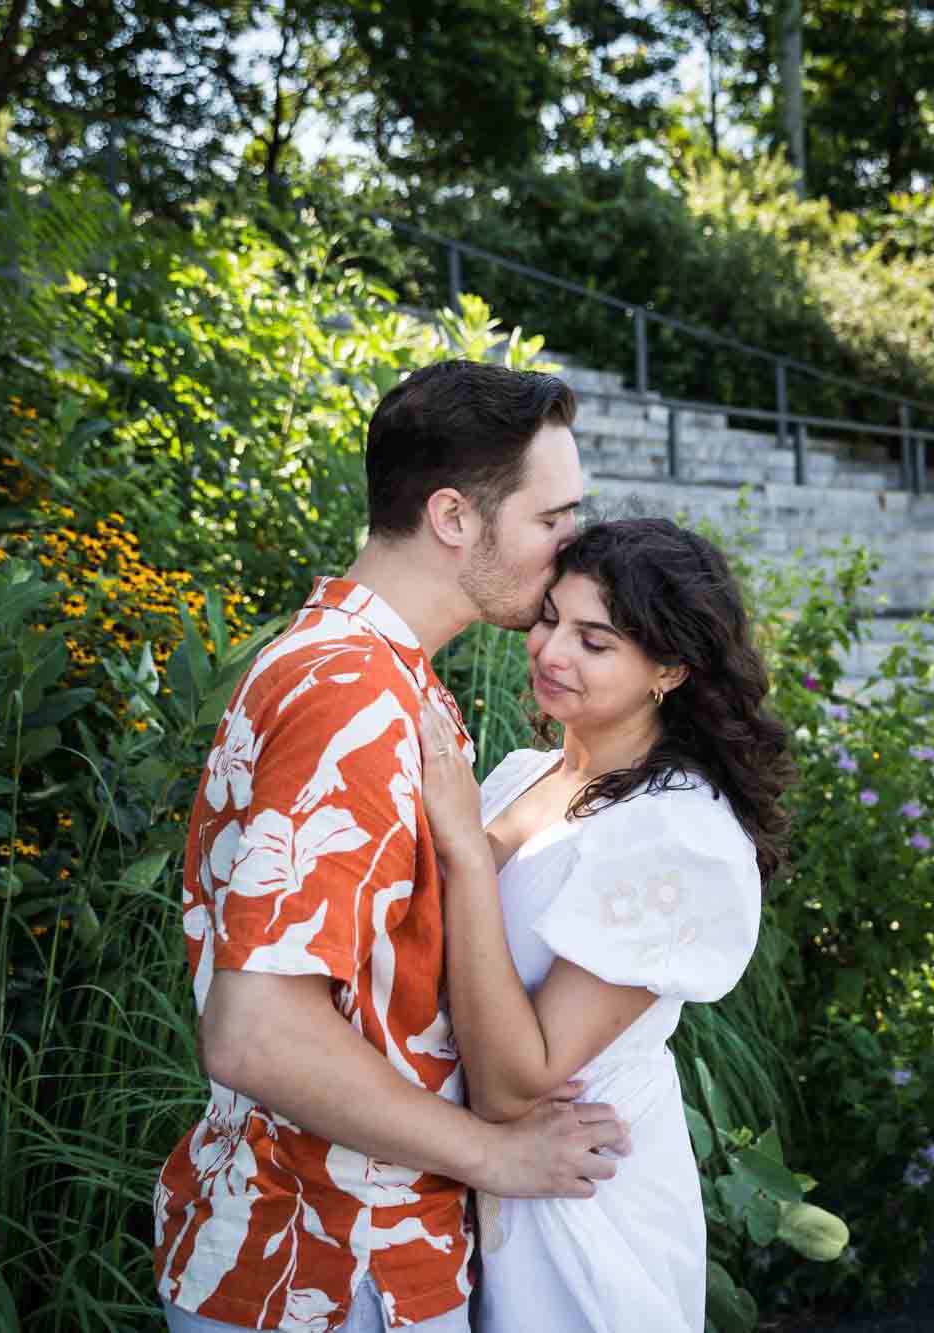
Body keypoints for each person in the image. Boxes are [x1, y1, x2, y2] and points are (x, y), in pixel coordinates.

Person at [154, 360, 631, 1333]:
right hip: (321, 1277)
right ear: (454, 517)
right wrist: (496, 1156)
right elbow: (256, 1028)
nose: (573, 548)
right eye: (551, 521)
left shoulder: (383, 676)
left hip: (360, 1265)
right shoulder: (349, 696)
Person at [414, 516, 795, 1333]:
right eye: (549, 618)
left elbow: (523, 1076)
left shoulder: (676, 836)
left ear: (669, 668)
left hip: (584, 1196)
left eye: (595, 640)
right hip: (473, 1177)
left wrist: (467, 855)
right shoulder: (523, 773)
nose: (552, 651)